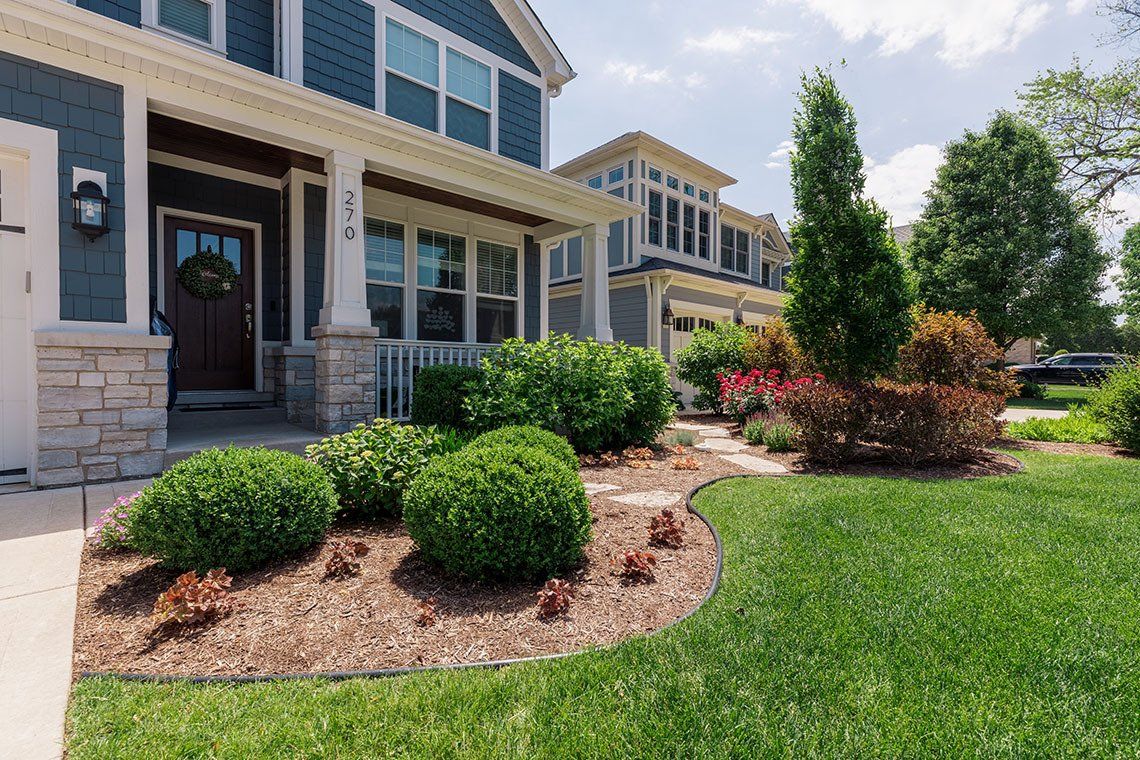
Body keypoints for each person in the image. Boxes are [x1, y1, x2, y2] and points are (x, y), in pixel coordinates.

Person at [150, 296, 178, 410]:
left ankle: (167, 404)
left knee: (167, 376)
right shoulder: (154, 318)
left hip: (164, 354)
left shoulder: (158, 317)